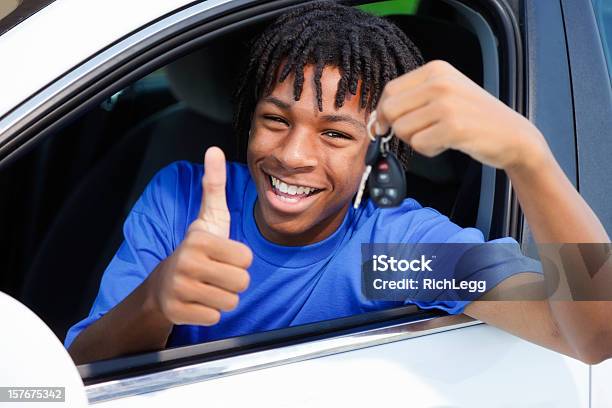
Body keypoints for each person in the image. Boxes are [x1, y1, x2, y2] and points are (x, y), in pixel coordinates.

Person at [66, 1, 611, 365]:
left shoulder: (393, 252)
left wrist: (529, 157)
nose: (293, 156)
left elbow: (592, 336)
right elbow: (79, 371)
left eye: (334, 134)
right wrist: (158, 299)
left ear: (378, 152)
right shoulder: (183, 197)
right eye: (275, 120)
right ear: (248, 120)